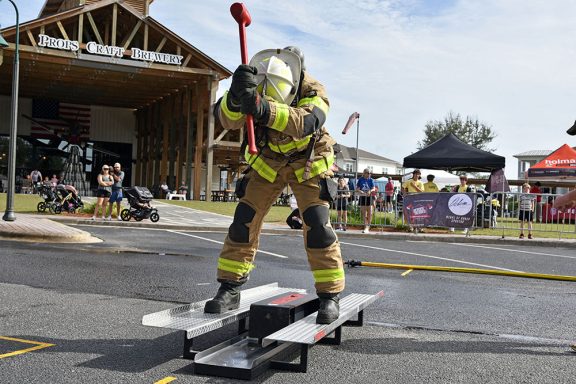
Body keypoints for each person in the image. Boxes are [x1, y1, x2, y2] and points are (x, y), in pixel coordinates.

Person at [203, 46, 344, 324]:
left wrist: (263, 108)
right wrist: (235, 96)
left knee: (318, 226)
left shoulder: (314, 89)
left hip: (308, 163)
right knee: (243, 222)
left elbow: (307, 121)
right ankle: (229, 289)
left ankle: (330, 296)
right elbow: (225, 119)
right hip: (268, 161)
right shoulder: (261, 81)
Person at [356, 169, 376, 233]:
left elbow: (374, 188)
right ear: (364, 173)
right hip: (362, 197)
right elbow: (357, 188)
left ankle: (368, 227)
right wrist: (360, 191)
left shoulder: (371, 180)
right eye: (368, 173)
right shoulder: (360, 179)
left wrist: (370, 191)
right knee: (364, 213)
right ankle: (365, 227)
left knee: (370, 213)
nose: (369, 174)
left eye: (370, 173)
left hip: (369, 197)